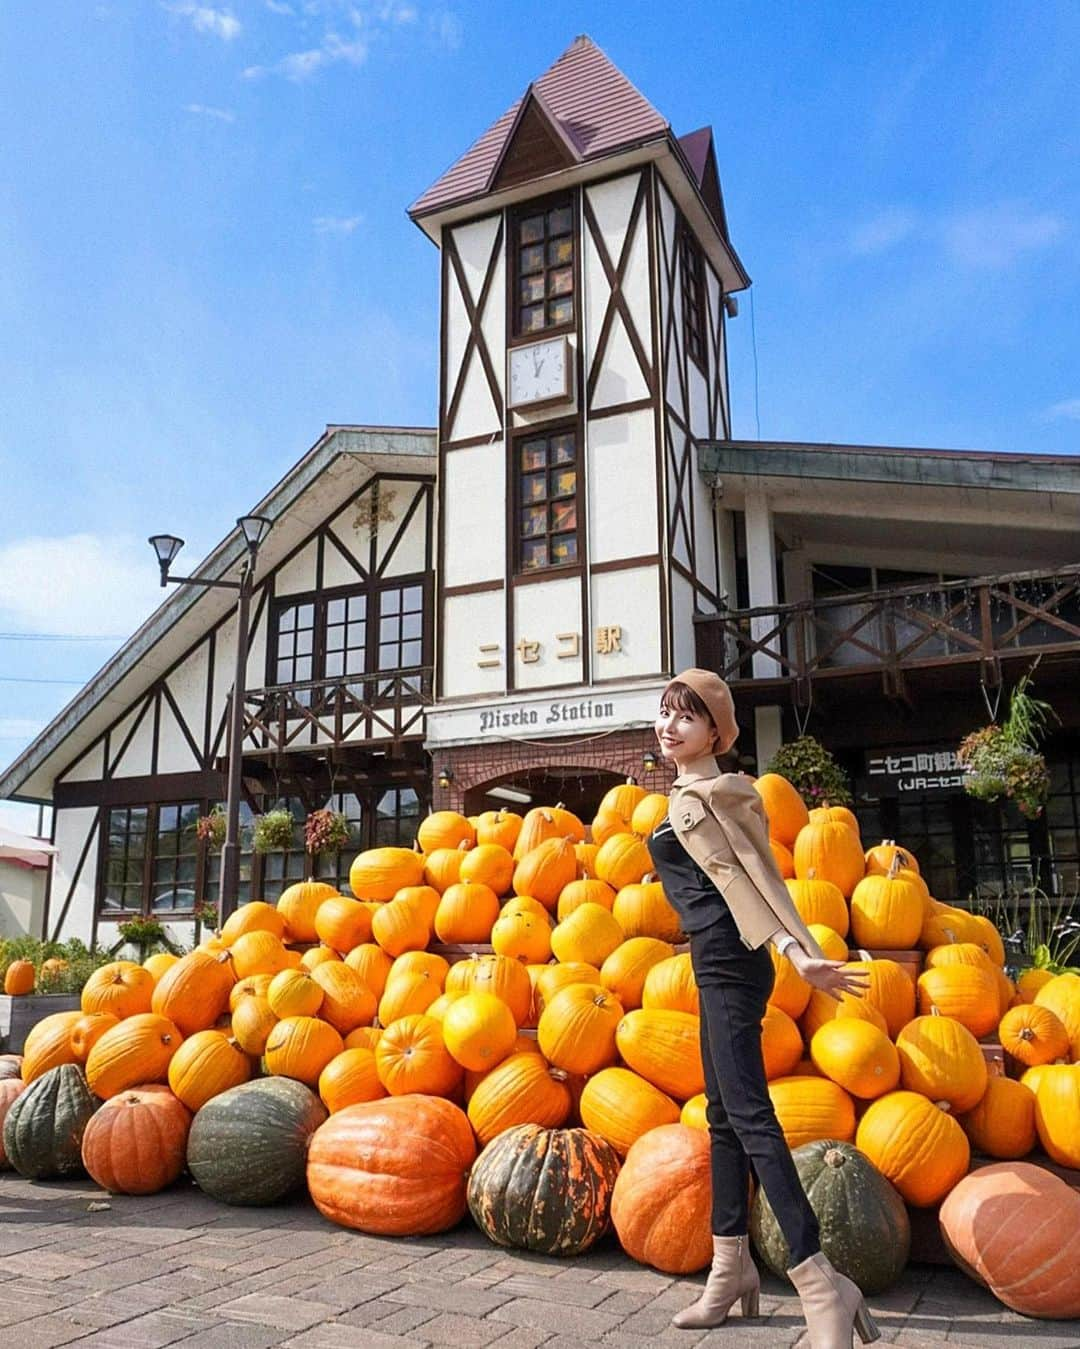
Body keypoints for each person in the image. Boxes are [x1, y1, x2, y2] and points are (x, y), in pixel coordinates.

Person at [646, 668, 879, 1349]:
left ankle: (820, 1283)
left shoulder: (724, 791)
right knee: (723, 1114)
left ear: (717, 731)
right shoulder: (685, 792)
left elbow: (754, 875)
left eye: (685, 716)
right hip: (712, 955)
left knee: (749, 1114)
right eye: (664, 713)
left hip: (730, 956)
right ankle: (730, 1269)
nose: (669, 725)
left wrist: (797, 948)